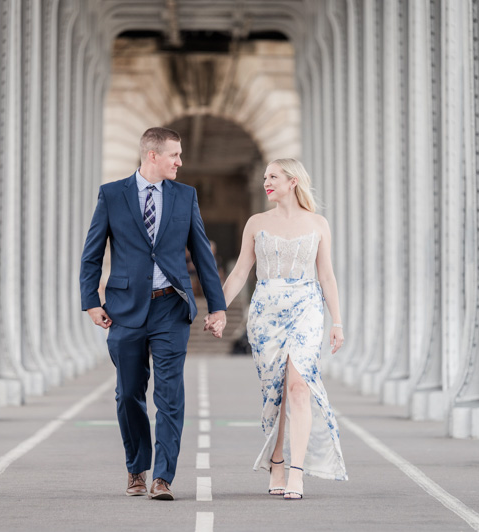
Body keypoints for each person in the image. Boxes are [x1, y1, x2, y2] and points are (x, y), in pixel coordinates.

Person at [80, 127, 227, 501]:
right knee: (128, 393)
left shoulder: (185, 196)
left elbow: (203, 257)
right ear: (152, 156)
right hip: (125, 310)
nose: (180, 161)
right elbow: (92, 253)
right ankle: (136, 469)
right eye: (174, 155)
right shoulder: (113, 195)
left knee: (169, 395)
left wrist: (218, 307)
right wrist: (91, 302)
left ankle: (163, 477)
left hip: (170, 307)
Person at [206, 158, 347, 499]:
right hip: (266, 311)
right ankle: (277, 461)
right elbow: (240, 272)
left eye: (273, 177)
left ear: (293, 181)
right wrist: (218, 309)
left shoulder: (318, 223)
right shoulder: (256, 223)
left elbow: (326, 275)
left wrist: (337, 322)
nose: (266, 182)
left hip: (307, 308)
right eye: (265, 177)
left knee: (299, 387)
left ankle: (296, 473)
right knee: (276, 393)